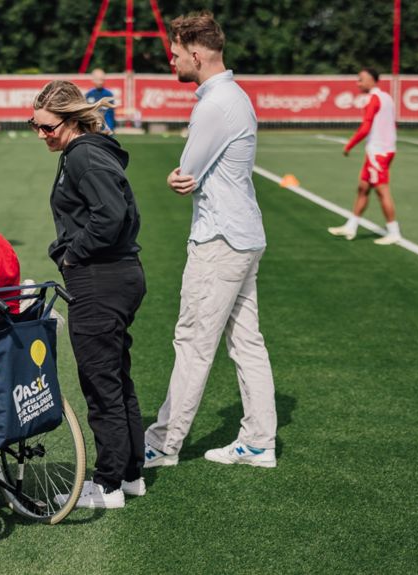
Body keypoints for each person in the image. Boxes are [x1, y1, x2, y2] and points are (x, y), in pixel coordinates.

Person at [143, 11, 277, 470]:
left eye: (176, 53)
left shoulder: (216, 103)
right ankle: (259, 441)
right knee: (246, 342)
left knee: (193, 341)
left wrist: (177, 177)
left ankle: (163, 443)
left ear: (196, 53)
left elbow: (186, 173)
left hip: (219, 239)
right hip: (242, 234)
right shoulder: (233, 96)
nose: (172, 61)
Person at [31, 80, 146, 509]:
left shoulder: (83, 154)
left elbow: (112, 215)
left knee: (101, 385)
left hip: (100, 279)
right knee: (116, 377)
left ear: (71, 119)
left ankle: (109, 483)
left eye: (47, 127)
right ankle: (131, 473)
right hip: (117, 275)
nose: (41, 134)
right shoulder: (87, 150)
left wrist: (73, 255)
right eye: (35, 125)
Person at [328, 67, 402, 245]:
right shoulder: (386, 98)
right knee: (363, 187)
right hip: (384, 149)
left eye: (361, 79)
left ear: (372, 80)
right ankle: (351, 226)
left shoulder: (373, 99)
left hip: (379, 152)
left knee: (381, 190)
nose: (358, 83)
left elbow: (365, 127)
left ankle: (394, 232)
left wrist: (349, 145)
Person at [85, 68, 116, 132]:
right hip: (92, 128)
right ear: (93, 80)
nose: (100, 82)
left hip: (106, 128)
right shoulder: (88, 94)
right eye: (97, 79)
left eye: (102, 79)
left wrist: (110, 127)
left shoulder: (108, 94)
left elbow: (110, 114)